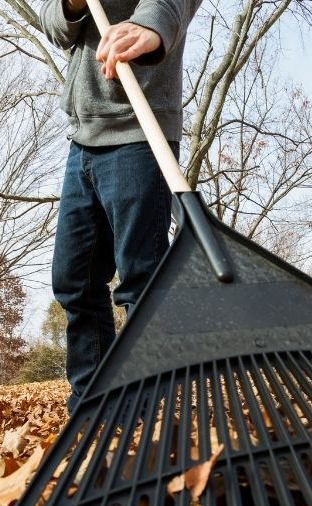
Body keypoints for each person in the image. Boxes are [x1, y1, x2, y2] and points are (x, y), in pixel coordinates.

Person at [40, 0, 201, 412]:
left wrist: (150, 24)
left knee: (140, 279)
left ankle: (152, 409)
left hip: (138, 130)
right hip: (82, 137)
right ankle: (92, 406)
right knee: (74, 281)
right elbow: (56, 28)